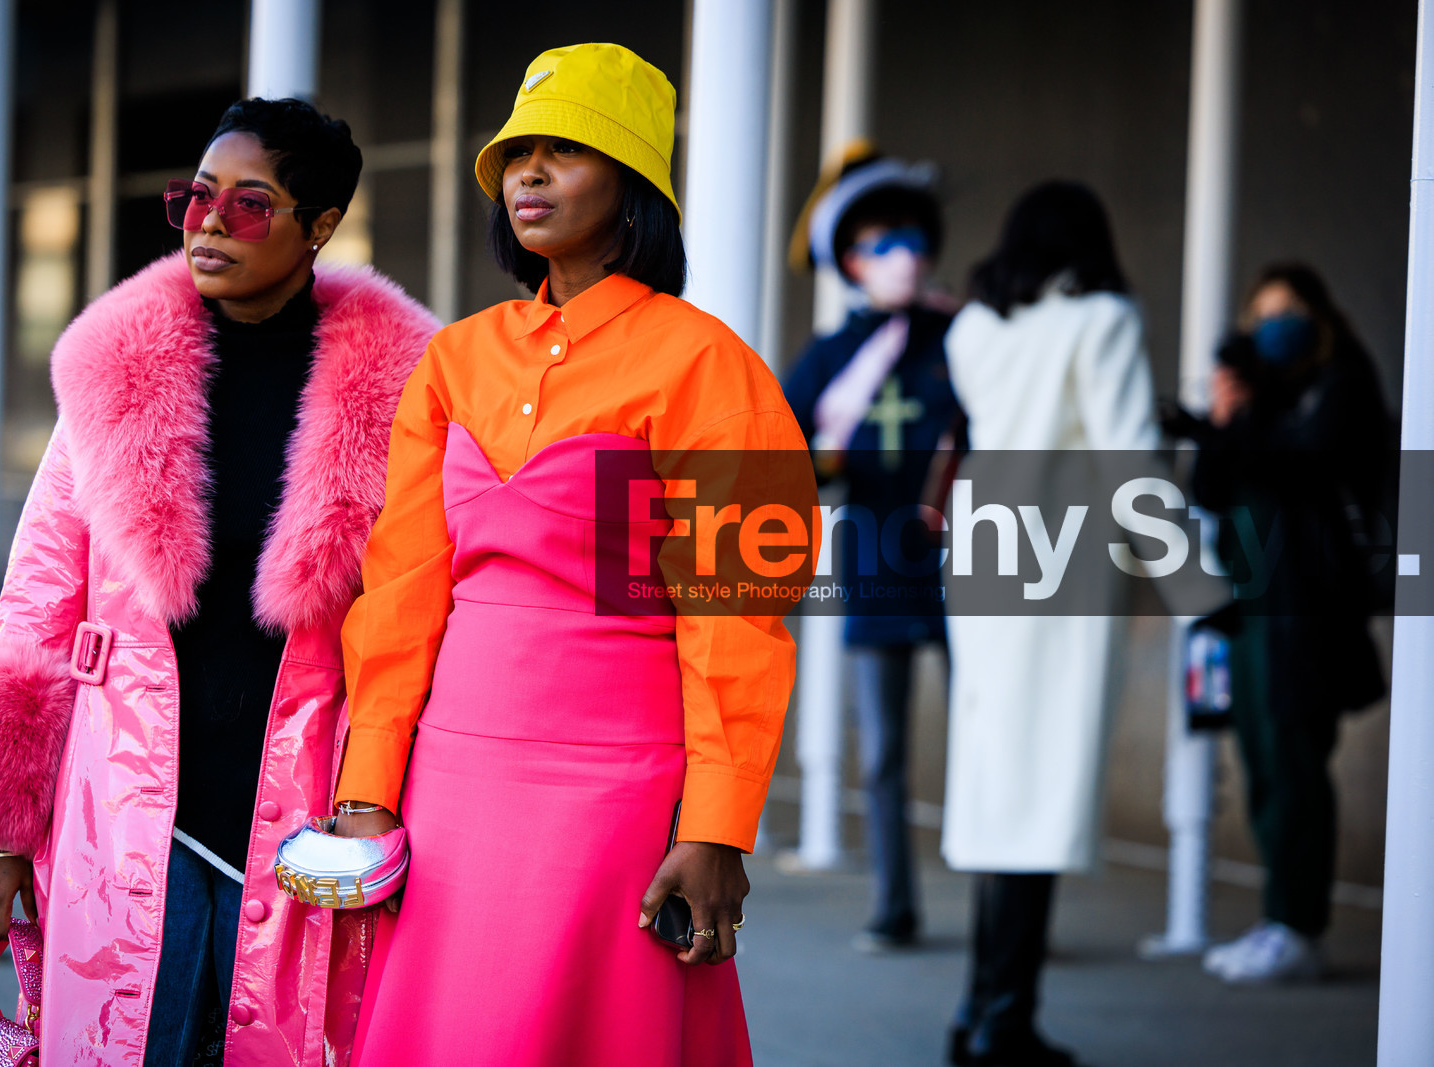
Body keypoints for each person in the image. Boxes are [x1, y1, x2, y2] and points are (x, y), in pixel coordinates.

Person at [0, 98, 438, 1065]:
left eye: (249, 204)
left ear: (320, 227)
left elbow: (423, 614)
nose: (209, 222)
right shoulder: (114, 375)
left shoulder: (408, 395)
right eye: (197, 198)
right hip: (117, 812)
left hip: (307, 812)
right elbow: (38, 600)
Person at [328, 42, 817, 1067]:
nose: (528, 175)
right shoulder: (454, 358)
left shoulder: (709, 365)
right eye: (515, 155)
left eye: (564, 152)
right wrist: (368, 779)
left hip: (620, 797)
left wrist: (716, 825)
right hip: (451, 783)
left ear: (634, 184)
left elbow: (736, 616)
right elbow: (404, 586)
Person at [941, 181, 1158, 1067]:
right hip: (1061, 569)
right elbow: (1131, 456)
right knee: (1038, 792)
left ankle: (981, 1013)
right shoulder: (1100, 316)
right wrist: (1201, 587)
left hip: (984, 559)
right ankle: (1002, 1021)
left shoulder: (975, 327)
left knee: (1001, 787)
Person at [1165, 263, 1392, 985]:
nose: (1275, 324)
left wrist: (1225, 425)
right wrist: (1219, 426)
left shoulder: (1341, 387)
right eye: (1261, 312)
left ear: (1320, 316)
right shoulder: (1257, 400)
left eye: (1289, 309)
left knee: (1295, 763)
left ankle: (1299, 925)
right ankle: (1279, 919)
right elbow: (1211, 486)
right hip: (1252, 603)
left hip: (1308, 606)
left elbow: (1302, 464)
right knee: (1264, 760)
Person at [782, 147, 962, 952]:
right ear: (848, 259)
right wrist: (827, 461)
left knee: (992, 735)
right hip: (876, 558)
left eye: (909, 236)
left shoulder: (965, 332)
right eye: (879, 240)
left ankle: (1006, 908)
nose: (901, 254)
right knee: (883, 750)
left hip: (975, 554)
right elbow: (776, 452)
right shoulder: (830, 354)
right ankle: (896, 903)